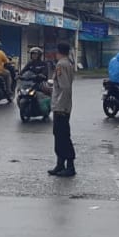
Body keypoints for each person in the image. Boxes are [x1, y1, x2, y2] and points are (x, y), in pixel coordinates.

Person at [48, 41, 76, 177]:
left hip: (61, 107)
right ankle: (60, 164)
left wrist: (61, 107)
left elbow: (64, 87)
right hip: (63, 106)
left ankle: (69, 166)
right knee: (59, 135)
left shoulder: (61, 64)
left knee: (62, 136)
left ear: (58, 52)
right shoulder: (68, 63)